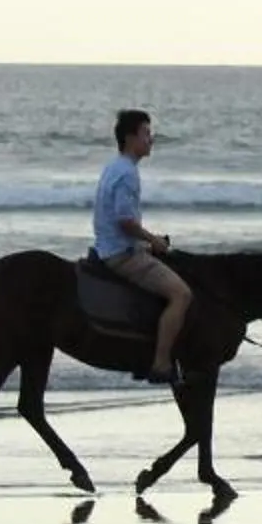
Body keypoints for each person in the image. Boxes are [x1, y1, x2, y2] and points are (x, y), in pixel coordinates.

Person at [92, 108, 191, 383]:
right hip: (121, 254)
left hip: (112, 246)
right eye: (146, 134)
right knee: (181, 295)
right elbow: (125, 221)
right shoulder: (127, 174)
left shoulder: (114, 167)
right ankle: (160, 364)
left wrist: (147, 242)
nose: (151, 139)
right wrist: (154, 240)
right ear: (130, 138)